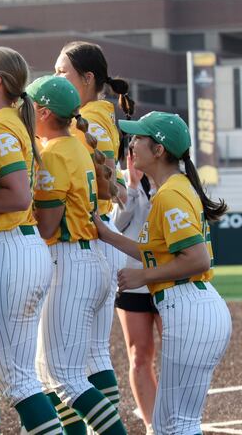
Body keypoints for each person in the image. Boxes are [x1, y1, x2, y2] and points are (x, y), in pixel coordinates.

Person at [95, 111, 232, 434]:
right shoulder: (172, 187)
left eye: (140, 138)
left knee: (178, 425)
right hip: (192, 305)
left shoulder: (170, 194)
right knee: (169, 424)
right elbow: (156, 253)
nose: (132, 144)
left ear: (159, 150)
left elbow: (198, 260)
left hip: (189, 307)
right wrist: (107, 234)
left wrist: (143, 277)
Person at [0, 47, 62, 434]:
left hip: (12, 247)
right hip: (17, 248)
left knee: (17, 380)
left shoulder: (1, 124)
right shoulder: (0, 120)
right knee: (10, 376)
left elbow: (19, 195)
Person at [27, 76, 126, 435]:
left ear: (42, 111)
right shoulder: (78, 147)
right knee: (83, 362)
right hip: (89, 258)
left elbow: (48, 227)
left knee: (62, 376)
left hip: (69, 262)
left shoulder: (53, 152)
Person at [54, 41, 135, 413]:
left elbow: (104, 181)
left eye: (62, 72)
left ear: (87, 78)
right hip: (96, 241)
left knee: (64, 369)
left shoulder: (90, 117)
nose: (56, 78)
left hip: (84, 236)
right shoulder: (98, 114)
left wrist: (111, 186)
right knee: (91, 357)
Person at [112, 152, 160, 434]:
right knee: (139, 355)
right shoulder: (119, 178)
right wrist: (131, 184)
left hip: (168, 278)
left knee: (179, 355)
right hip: (132, 280)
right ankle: (152, 425)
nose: (134, 154)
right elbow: (114, 224)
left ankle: (180, 421)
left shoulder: (175, 179)